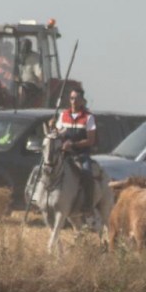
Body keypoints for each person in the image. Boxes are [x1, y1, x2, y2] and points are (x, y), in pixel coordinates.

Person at [56, 87, 97, 215]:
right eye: (72, 98)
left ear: (82, 101)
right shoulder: (63, 115)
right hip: (64, 153)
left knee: (87, 173)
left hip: (81, 154)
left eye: (77, 98)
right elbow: (57, 133)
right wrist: (53, 127)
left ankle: (88, 205)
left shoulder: (88, 117)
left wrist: (73, 144)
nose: (74, 101)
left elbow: (90, 140)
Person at [18, 39, 43, 106]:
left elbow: (40, 75)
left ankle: (19, 107)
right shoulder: (16, 57)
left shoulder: (34, 58)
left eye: (25, 47)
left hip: (31, 85)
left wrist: (41, 85)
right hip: (16, 83)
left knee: (21, 89)